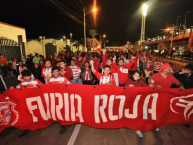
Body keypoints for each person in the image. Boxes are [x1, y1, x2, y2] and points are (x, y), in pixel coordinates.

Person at [9, 70, 42, 137]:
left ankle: (39, 125)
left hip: (36, 102)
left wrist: (39, 87)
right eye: (25, 77)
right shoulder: (22, 83)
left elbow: (43, 87)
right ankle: (26, 129)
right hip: (26, 103)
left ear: (30, 75)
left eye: (28, 76)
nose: (26, 78)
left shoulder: (36, 81)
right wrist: (13, 88)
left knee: (37, 114)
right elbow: (16, 89)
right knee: (26, 115)